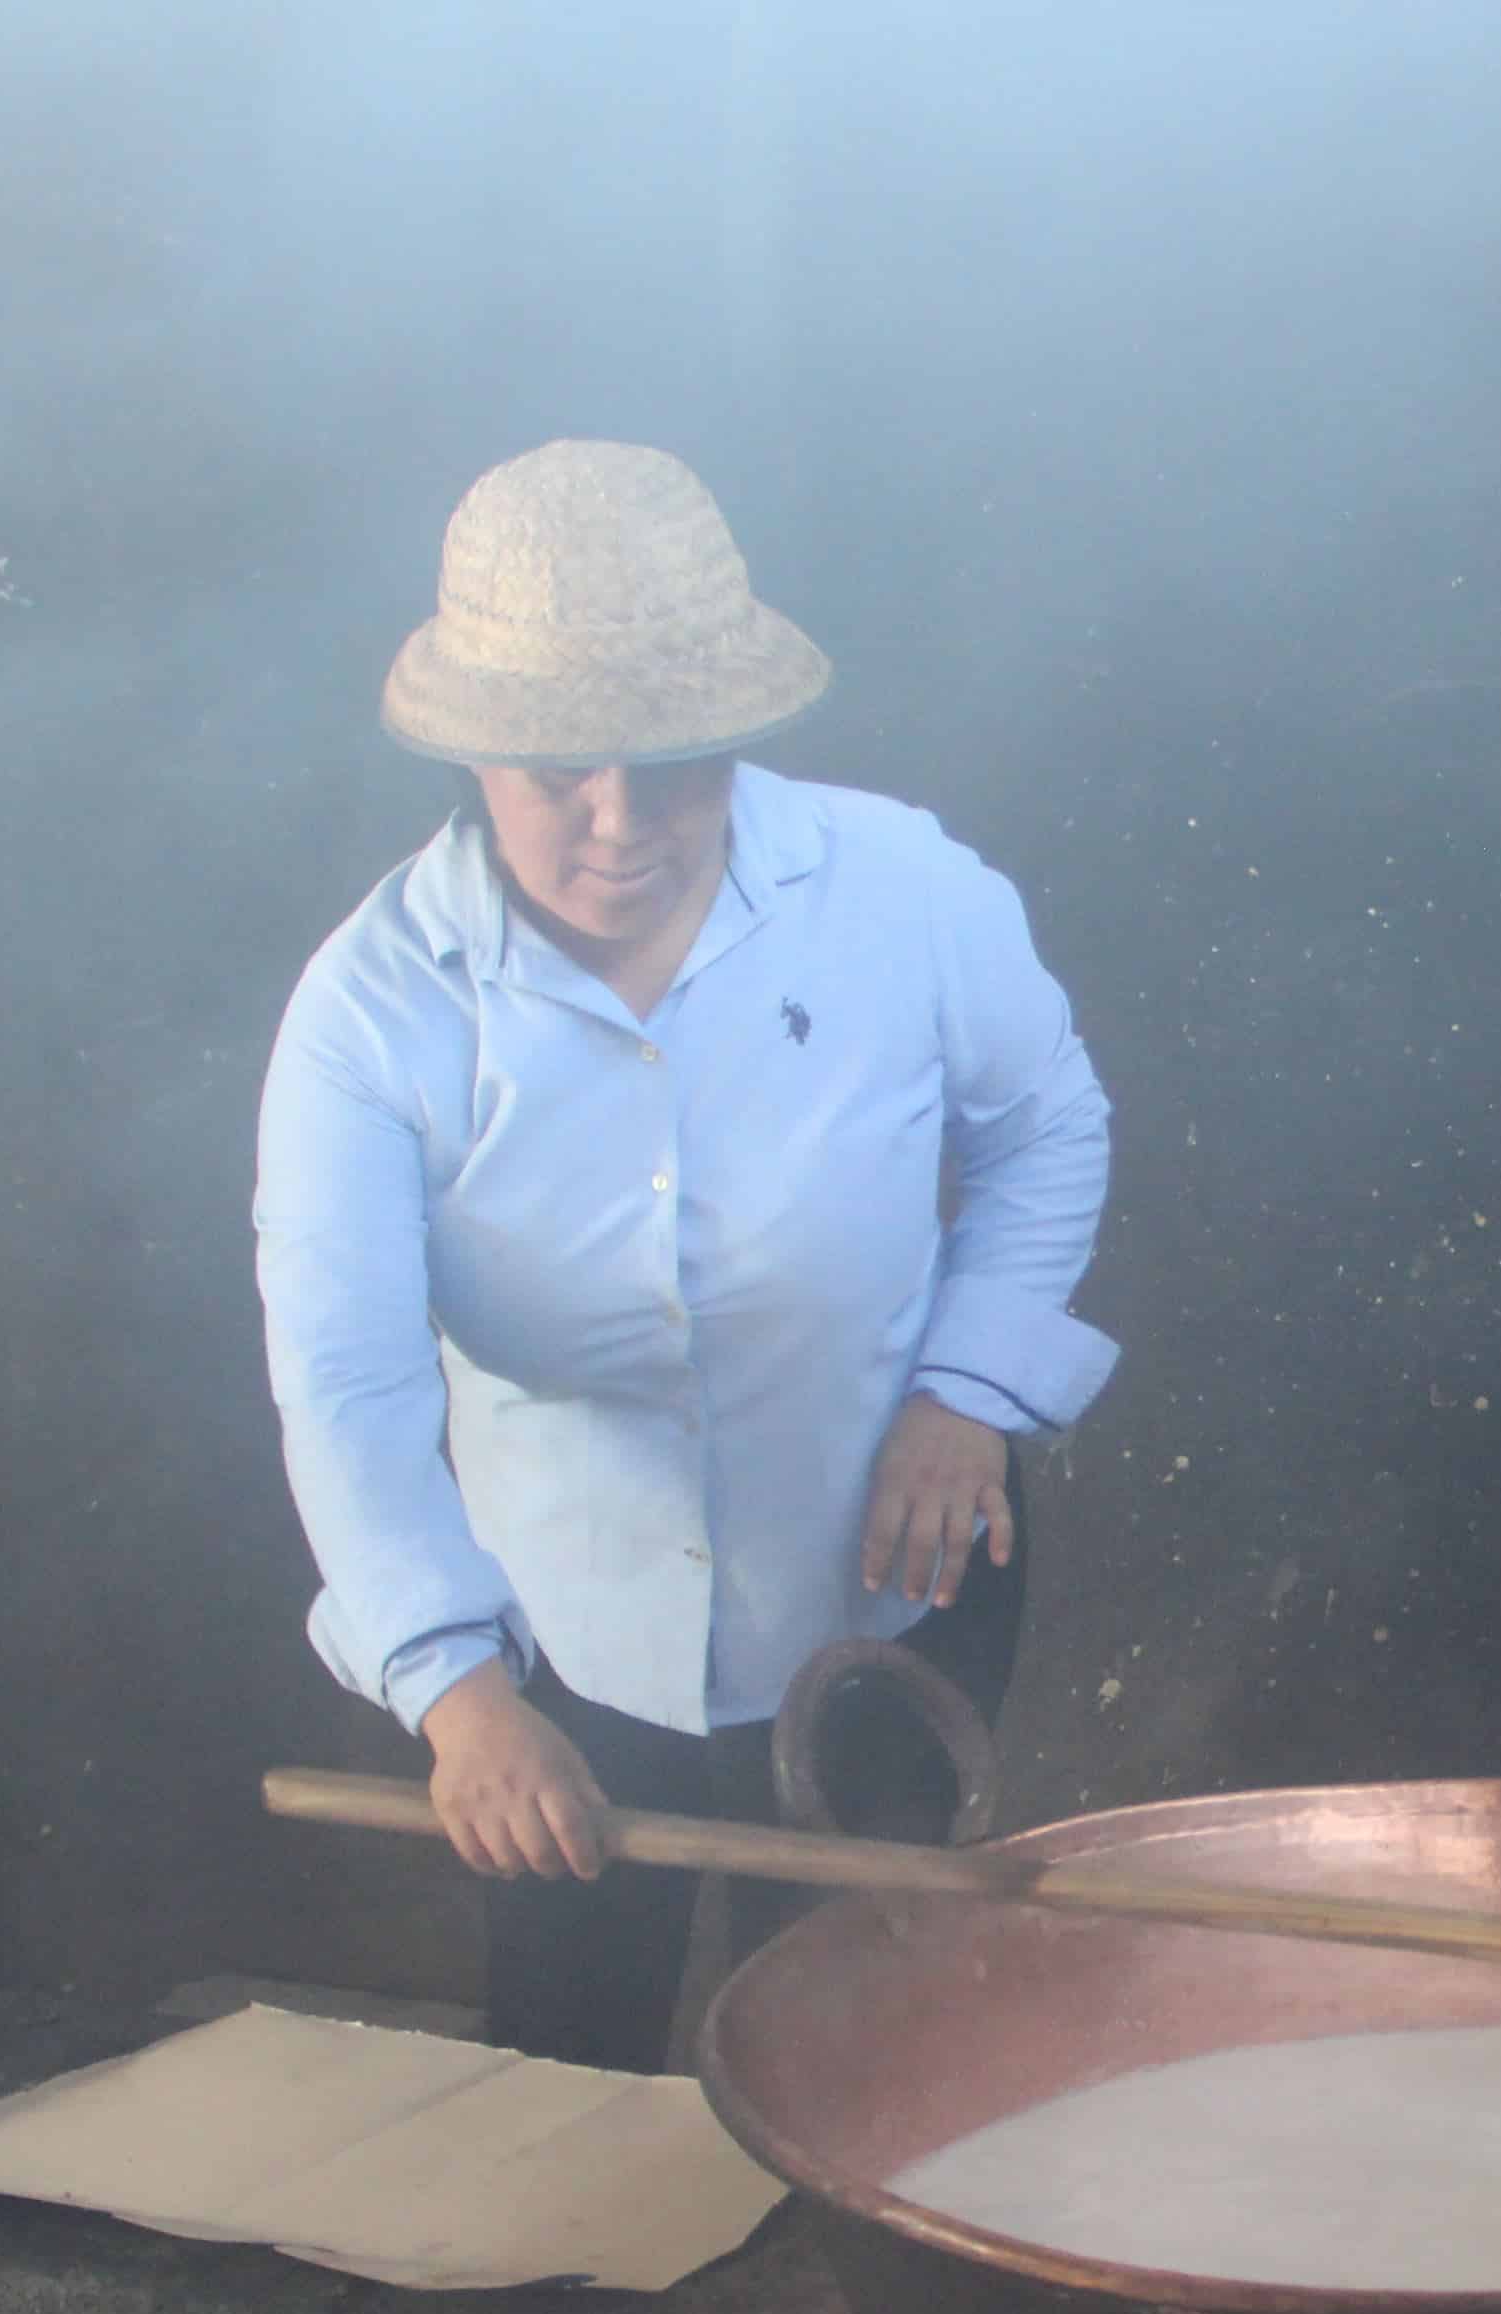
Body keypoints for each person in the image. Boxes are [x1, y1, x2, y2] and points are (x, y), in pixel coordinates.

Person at [254, 441, 1116, 2069]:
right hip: (561, 1632)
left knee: (861, 2054)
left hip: (892, 1580)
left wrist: (968, 1389)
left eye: (677, 766)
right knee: (567, 2068)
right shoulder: (372, 1016)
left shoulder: (904, 889)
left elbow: (1046, 1124)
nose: (621, 823)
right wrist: (456, 1696)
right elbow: (348, 1382)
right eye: (560, 770)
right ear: (478, 755)